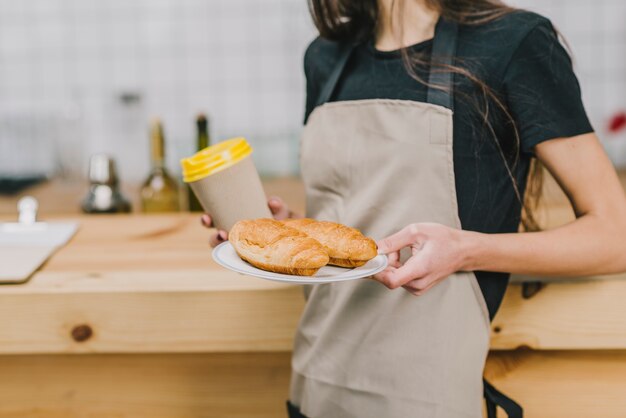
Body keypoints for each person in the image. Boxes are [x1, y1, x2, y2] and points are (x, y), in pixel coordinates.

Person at [202, 0, 626, 417]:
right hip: (319, 377)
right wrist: (292, 235)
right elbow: (357, 228)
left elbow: (614, 235)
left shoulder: (514, 43)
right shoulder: (325, 56)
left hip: (424, 394)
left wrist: (467, 249)